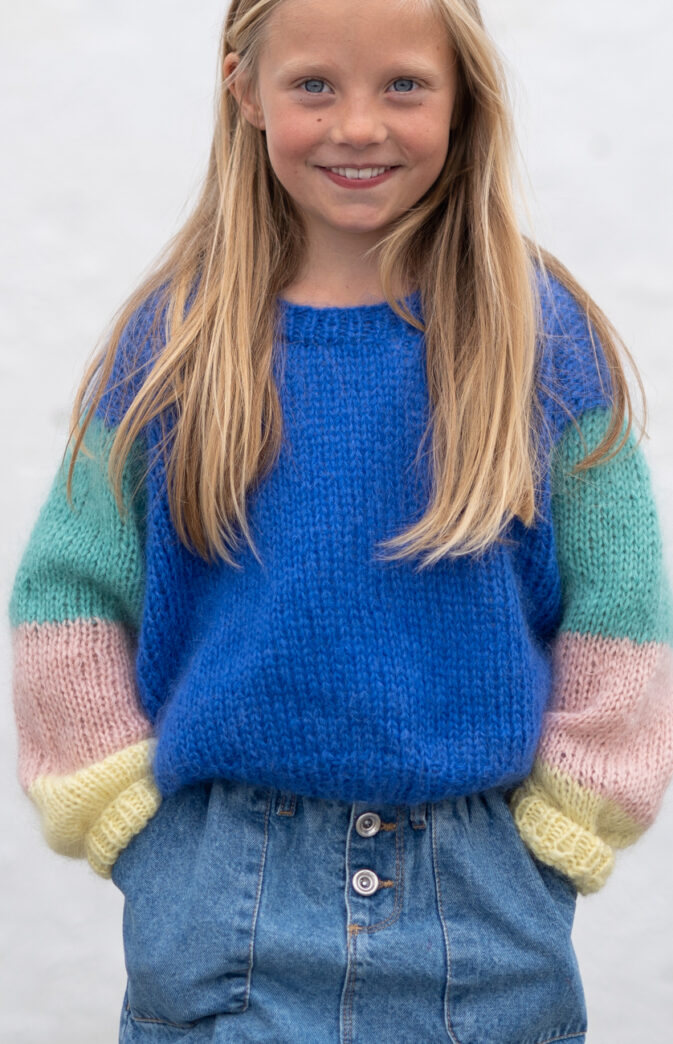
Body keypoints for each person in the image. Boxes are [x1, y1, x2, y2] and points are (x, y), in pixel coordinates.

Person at [9, 0, 673, 1040]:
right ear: (244, 88)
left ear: (463, 96)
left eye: (403, 84)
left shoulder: (538, 338)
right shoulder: (174, 342)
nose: (357, 126)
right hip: (223, 908)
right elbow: (67, 592)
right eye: (313, 84)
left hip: (479, 913)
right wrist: (135, 834)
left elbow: (621, 604)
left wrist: (559, 831)